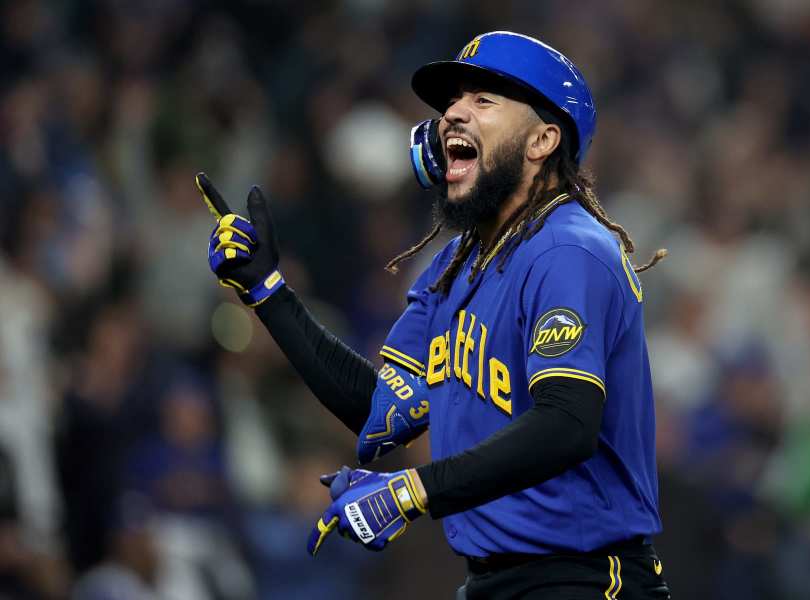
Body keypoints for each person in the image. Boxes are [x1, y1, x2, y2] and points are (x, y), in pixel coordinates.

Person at [199, 31, 670, 599]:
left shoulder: (568, 249)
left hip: (584, 579)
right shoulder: (457, 264)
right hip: (495, 581)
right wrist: (269, 293)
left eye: (483, 100)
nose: (452, 114)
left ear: (543, 139)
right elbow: (379, 407)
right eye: (452, 102)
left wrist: (412, 491)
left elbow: (567, 425)